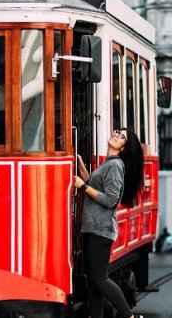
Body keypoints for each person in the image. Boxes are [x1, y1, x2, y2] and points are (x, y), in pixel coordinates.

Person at [74, 129, 144, 318]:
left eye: (122, 137)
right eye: (117, 132)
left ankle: (129, 315)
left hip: (101, 230)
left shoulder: (115, 166)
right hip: (94, 227)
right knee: (94, 282)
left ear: (123, 148)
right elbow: (95, 187)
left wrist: (83, 186)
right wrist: (80, 165)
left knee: (100, 279)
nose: (116, 135)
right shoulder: (109, 163)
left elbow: (110, 200)